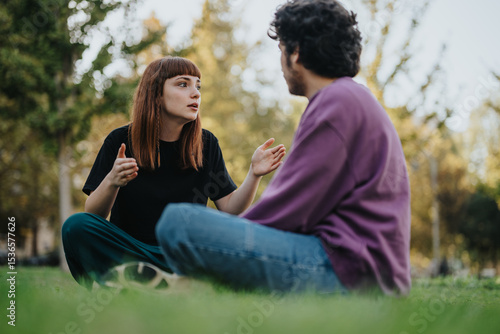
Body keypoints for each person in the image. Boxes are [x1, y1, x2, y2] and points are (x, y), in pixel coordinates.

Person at [155, 0, 411, 295]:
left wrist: (226, 242)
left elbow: (287, 209)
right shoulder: (353, 98)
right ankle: (194, 288)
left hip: (348, 272)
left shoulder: (336, 102)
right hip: (364, 268)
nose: (281, 63)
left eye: (281, 51)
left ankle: (192, 285)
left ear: (296, 52)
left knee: (179, 222)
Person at [62, 56, 286, 289]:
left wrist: (254, 174)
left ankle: (138, 282)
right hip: (131, 251)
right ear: (156, 93)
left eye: (198, 86)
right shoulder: (120, 140)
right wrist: (112, 181)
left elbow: (230, 208)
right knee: (76, 227)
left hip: (184, 254)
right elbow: (94, 214)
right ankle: (151, 280)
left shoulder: (206, 144)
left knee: (244, 237)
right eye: (183, 84)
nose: (196, 93)